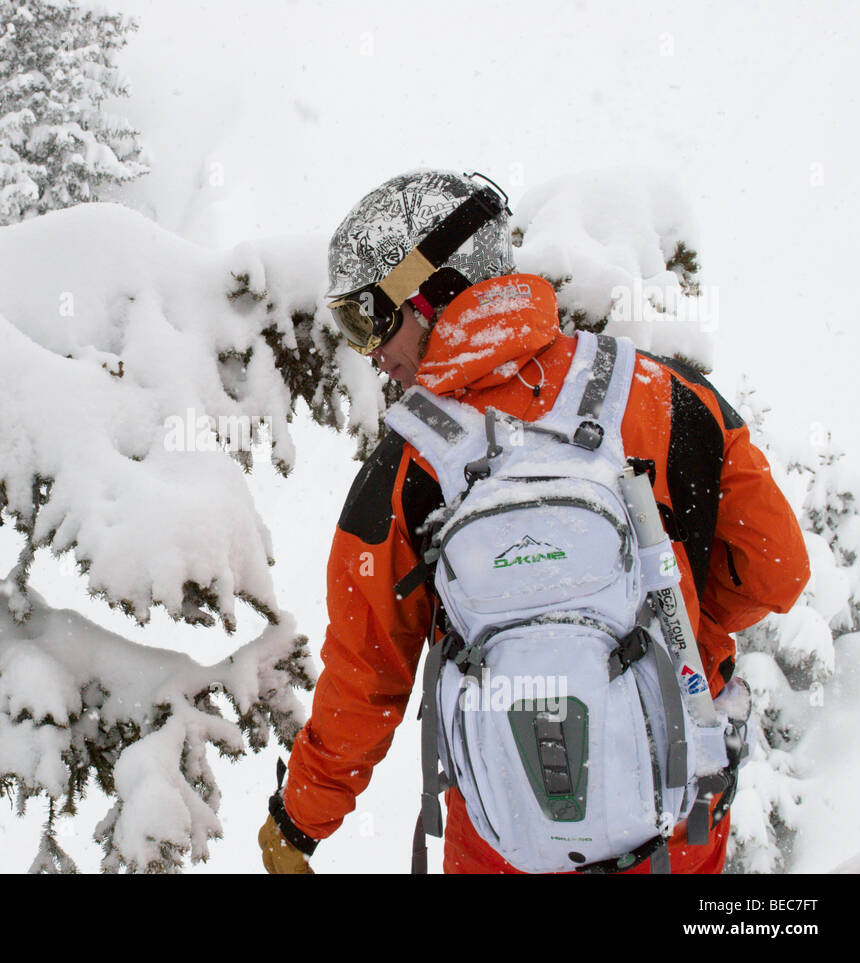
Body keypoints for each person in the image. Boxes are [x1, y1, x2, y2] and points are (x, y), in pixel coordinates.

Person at [258, 169, 811, 874]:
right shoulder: (663, 394)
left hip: (501, 836)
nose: (370, 352)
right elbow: (779, 568)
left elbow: (366, 676)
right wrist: (669, 632)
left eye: (369, 317)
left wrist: (299, 819)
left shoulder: (404, 466)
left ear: (434, 294)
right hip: (671, 820)